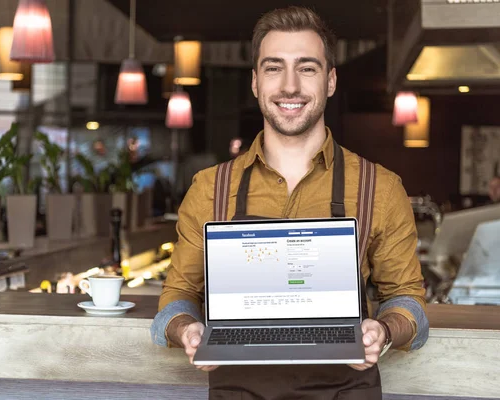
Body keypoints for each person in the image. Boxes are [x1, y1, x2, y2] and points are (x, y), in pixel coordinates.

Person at [151, 6, 429, 399]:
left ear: (330, 80)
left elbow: (409, 303)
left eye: (307, 68)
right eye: (273, 67)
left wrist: (383, 331)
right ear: (255, 82)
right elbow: (175, 299)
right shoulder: (210, 188)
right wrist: (187, 329)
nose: (290, 86)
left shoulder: (378, 188)